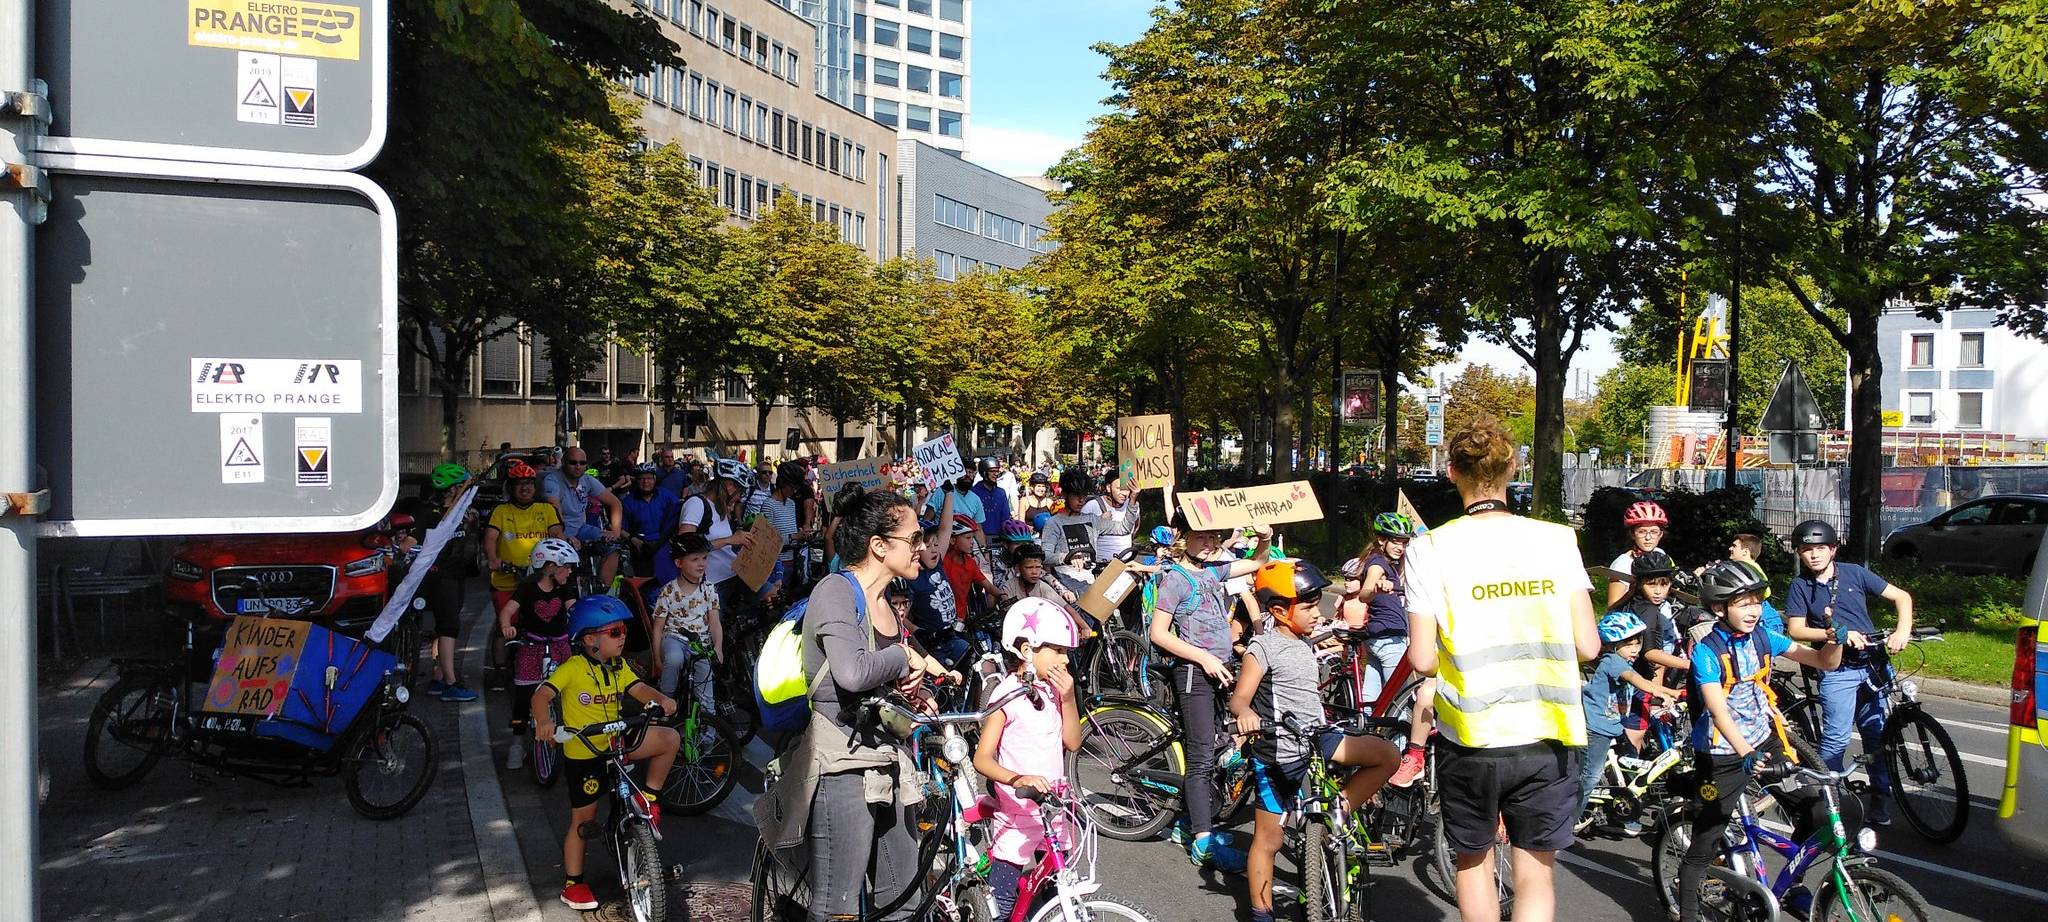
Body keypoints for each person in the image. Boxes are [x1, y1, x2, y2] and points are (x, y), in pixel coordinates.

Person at [1401, 415, 1600, 922]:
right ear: (1514, 467)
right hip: (1547, 732)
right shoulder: (1557, 540)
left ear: (1451, 472)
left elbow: (1422, 659)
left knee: (1474, 861)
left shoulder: (1429, 548)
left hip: (1472, 735)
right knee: (1535, 874)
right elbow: (1587, 643)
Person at [793, 485, 952, 922]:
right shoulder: (836, 591)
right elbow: (853, 672)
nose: (924, 547)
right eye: (914, 538)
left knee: (903, 896)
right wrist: (902, 658)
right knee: (837, 905)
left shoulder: (888, 602)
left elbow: (886, 680)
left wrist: (924, 690)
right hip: (841, 760)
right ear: (879, 546)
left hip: (890, 758)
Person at [1234, 559, 1399, 922]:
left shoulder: (1305, 640)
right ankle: (1262, 914)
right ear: (1278, 611)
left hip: (1316, 738)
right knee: (1269, 840)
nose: (1316, 612)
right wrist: (1245, 713)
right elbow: (1239, 698)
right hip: (1278, 749)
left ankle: (1338, 809)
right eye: (1308, 607)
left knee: (1387, 755)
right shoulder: (1263, 647)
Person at [1680, 562, 1844, 922]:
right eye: (1744, 603)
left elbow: (1821, 661)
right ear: (1720, 607)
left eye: (1757, 600)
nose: (1754, 609)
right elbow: (1718, 712)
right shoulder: (1707, 651)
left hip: (1764, 738)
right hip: (1724, 751)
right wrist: (1747, 753)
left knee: (1817, 812)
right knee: (1705, 843)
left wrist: (1834, 641)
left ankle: (1790, 884)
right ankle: (1688, 914)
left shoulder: (1765, 636)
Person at [532, 595, 681, 911]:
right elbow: (542, 695)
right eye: (614, 632)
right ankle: (573, 884)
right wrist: (544, 720)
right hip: (585, 752)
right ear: (589, 639)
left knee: (669, 738)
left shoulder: (619, 666)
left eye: (623, 631)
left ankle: (648, 799)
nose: (622, 637)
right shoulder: (573, 669)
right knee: (583, 823)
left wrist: (660, 699)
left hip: (617, 742)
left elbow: (639, 690)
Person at [1143, 512, 1271, 871]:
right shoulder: (1175, 580)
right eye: (1202, 537)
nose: (1210, 543)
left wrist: (1264, 537)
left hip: (1221, 671)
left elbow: (1259, 562)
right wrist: (1202, 658)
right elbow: (1159, 633)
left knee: (1219, 750)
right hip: (1193, 675)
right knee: (1200, 758)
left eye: (1213, 537)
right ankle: (1203, 841)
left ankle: (1188, 822)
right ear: (1184, 538)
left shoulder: (1214, 571)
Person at [1782, 518, 1915, 825]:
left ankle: (1881, 796)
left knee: (1877, 734)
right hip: (1837, 668)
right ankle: (1830, 803)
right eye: (1806, 550)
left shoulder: (1854, 572)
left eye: (1820, 548)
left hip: (1873, 663)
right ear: (1799, 554)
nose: (1813, 555)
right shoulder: (1801, 586)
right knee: (1836, 738)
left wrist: (1902, 630)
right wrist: (1835, 634)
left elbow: (1901, 597)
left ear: (1833, 550)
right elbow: (1796, 628)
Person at [972, 597, 1084, 921]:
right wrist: (1018, 779)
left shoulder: (1053, 692)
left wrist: (1068, 698)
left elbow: (1072, 742)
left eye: (1067, 652)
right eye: (1057, 650)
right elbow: (982, 758)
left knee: (1053, 889)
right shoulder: (1007, 695)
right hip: (1018, 811)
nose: (1064, 660)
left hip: (1052, 807)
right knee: (1003, 900)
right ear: (1027, 651)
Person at [1355, 511, 1435, 786]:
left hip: (1377, 639)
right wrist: (1376, 586)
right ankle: (1399, 761)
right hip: (1389, 640)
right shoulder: (1378, 564)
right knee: (1401, 706)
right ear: (1381, 541)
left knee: (1373, 704)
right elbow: (1364, 593)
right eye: (1395, 542)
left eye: (1404, 541)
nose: (1400, 546)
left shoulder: (1390, 564)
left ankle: (1363, 754)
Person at [1580, 612, 1676, 832]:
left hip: (1613, 725)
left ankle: (1619, 807)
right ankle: (1567, 821)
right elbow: (1637, 680)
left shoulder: (1623, 662)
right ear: (1613, 644)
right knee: (1590, 776)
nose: (1635, 649)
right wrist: (1661, 695)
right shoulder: (1613, 662)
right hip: (1597, 728)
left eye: (1637, 643)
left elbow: (1644, 682)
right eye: (1628, 644)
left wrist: (1675, 692)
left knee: (1629, 758)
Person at [396, 463, 480, 702]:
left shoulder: (462, 513)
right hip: (438, 577)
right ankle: (451, 684)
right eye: (463, 487)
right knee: (449, 627)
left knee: (445, 629)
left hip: (455, 575)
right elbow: (407, 545)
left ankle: (438, 675)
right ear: (452, 490)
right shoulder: (430, 514)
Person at [497, 537, 581, 771]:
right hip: (531, 647)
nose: (569, 573)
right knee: (523, 697)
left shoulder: (565, 589)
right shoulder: (527, 588)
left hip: (560, 646)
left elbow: (574, 611)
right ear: (550, 567)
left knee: (571, 689)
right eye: (566, 568)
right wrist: (506, 626)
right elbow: (508, 611)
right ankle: (517, 742)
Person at [1613, 549, 1687, 753]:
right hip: (1635, 680)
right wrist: (1690, 664)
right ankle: (1628, 780)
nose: (1658, 591)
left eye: (1664, 584)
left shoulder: (1631, 602)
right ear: (1639, 583)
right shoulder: (1648, 610)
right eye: (1651, 584)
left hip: (1624, 675)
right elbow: (1650, 653)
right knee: (1634, 735)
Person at [649, 533, 722, 712]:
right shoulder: (668, 591)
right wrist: (657, 657)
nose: (702, 563)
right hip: (675, 638)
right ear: (679, 563)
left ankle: (708, 736)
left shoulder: (709, 589)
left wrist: (718, 647)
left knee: (706, 694)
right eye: (695, 559)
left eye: (704, 558)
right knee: (674, 659)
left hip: (701, 643)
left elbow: (714, 622)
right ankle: (665, 702)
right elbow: (658, 628)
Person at [675, 459, 758, 612]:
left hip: (732, 577)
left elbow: (723, 546)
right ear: (728, 485)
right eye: (739, 491)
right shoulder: (696, 504)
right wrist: (730, 540)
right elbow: (684, 545)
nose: (739, 497)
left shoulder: (721, 509)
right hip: (711, 585)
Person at [482, 461, 563, 614]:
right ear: (511, 488)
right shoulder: (500, 511)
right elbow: (490, 538)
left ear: (535, 486)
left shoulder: (547, 509)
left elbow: (557, 535)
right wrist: (493, 559)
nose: (524, 488)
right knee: (505, 629)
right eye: (519, 484)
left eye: (528, 483)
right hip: (507, 582)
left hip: (540, 580)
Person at [543, 447, 625, 587]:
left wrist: (615, 531)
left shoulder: (587, 480)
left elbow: (615, 503)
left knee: (614, 546)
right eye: (573, 462)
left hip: (581, 529)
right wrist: (565, 537)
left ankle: (601, 591)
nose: (578, 466)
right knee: (566, 562)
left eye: (582, 463)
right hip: (558, 532)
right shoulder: (552, 480)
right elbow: (554, 510)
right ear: (563, 462)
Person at [619, 463, 681, 580]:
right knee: (646, 586)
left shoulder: (665, 495)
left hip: (665, 547)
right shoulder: (628, 502)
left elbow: (679, 509)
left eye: (649, 478)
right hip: (641, 549)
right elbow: (620, 528)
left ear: (654, 479)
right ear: (636, 480)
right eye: (641, 478)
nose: (645, 482)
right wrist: (633, 540)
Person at [1607, 501, 1675, 606]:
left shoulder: (1660, 554)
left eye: (1653, 532)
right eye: (1642, 531)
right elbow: (1612, 605)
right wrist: (1632, 593)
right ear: (1633, 534)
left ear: (1660, 534)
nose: (1648, 538)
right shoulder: (1622, 564)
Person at [1082, 475, 1142, 562]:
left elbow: (1135, 526)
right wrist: (1099, 522)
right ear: (1109, 488)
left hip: (1127, 563)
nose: (1124, 493)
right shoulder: (1092, 506)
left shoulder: (1132, 505)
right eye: (1119, 488)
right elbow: (1082, 536)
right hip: (1101, 565)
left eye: (1127, 489)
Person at [971, 458, 1014, 537]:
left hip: (999, 537)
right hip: (978, 537)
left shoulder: (1001, 493)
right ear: (984, 473)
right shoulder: (973, 492)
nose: (996, 474)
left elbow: (1005, 518)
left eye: (997, 471)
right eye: (992, 471)